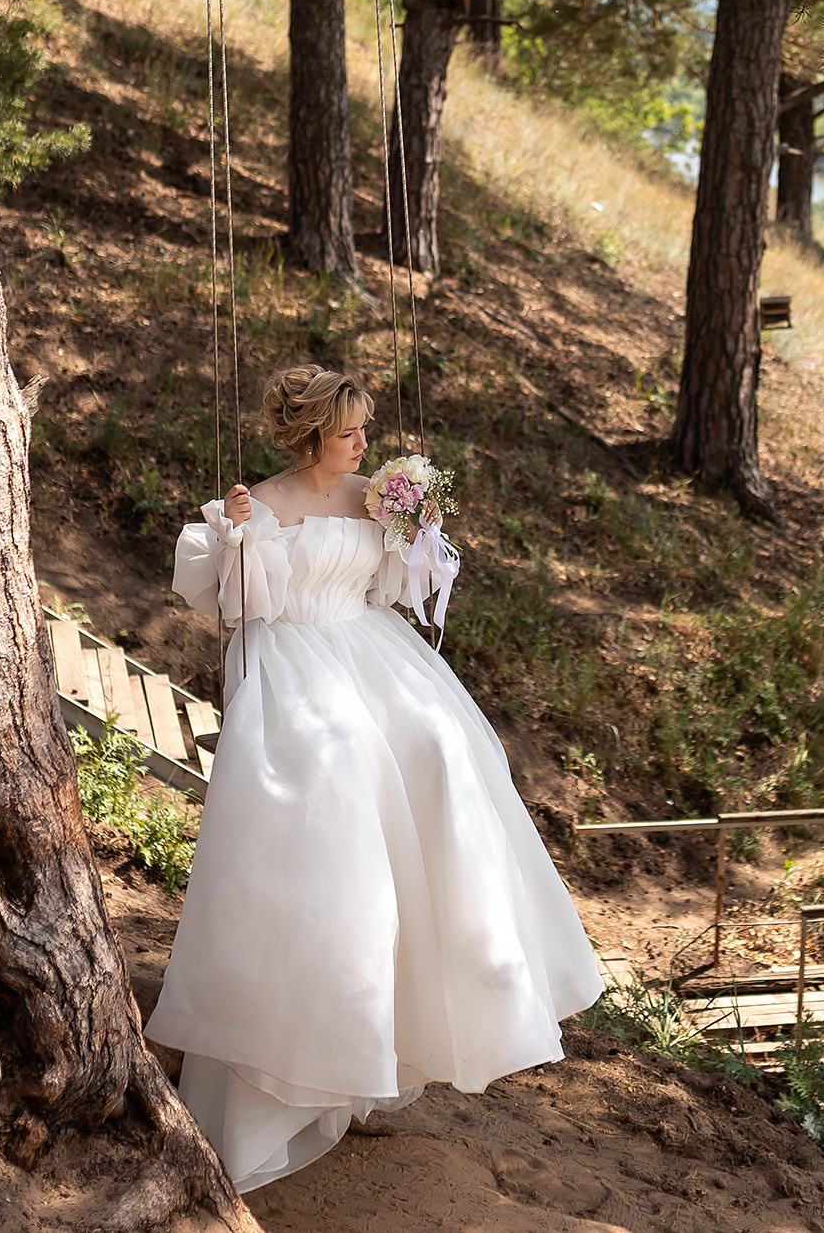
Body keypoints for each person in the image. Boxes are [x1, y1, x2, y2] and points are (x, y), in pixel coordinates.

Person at [147, 364, 603, 1192]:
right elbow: (238, 609)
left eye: (365, 429)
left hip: (368, 644)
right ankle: (307, 1040)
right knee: (342, 771)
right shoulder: (267, 501)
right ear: (314, 434)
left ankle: (426, 1002)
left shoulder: (374, 495)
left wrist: (419, 530)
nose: (364, 443)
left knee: (441, 749)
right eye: (350, 431)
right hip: (294, 654)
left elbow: (405, 583)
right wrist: (242, 538)